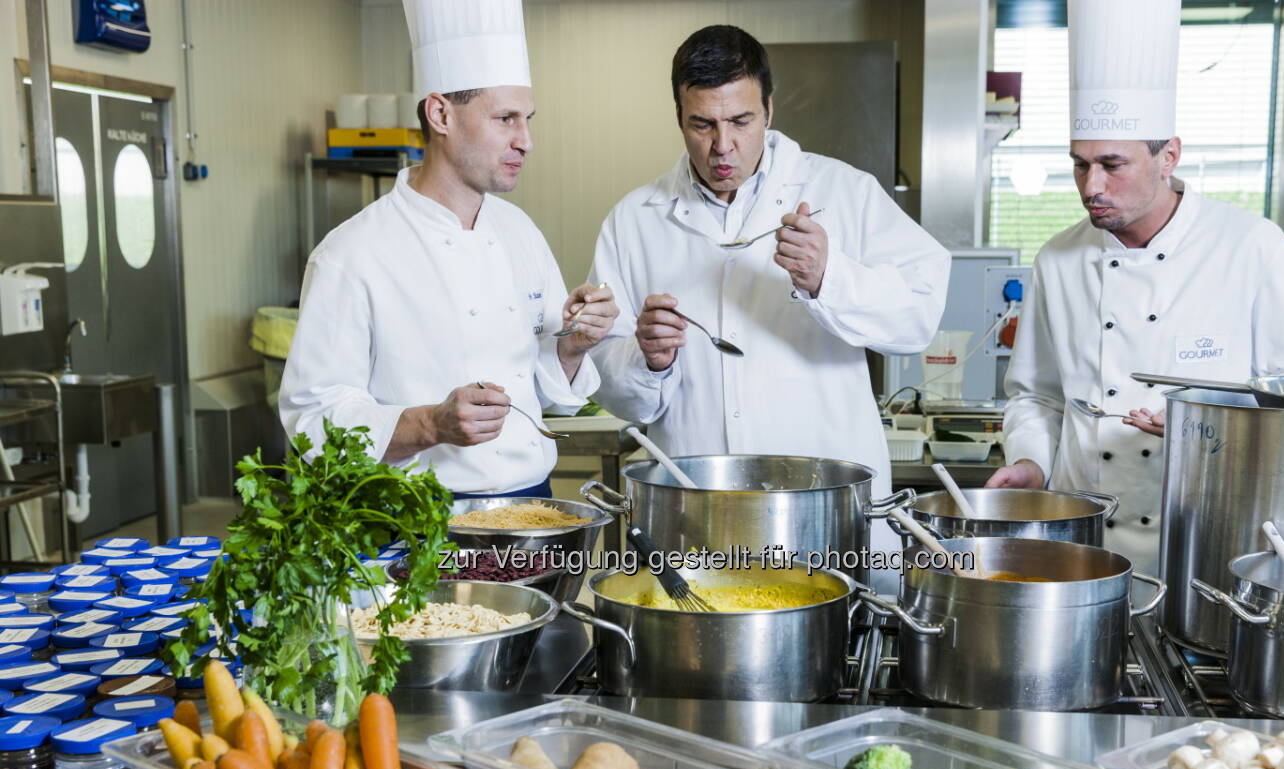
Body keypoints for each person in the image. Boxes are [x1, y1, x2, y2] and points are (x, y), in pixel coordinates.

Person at [987, 0, 1284, 575]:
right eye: (1079, 165)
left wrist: (1207, 418)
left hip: (1208, 536)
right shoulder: (1059, 258)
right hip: (1083, 538)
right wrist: (1030, 461)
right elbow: (1036, 395)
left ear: (1169, 155)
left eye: (1112, 164)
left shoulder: (1253, 249)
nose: (1090, 186)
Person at [586, 25, 950, 574]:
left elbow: (918, 317)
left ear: (769, 110)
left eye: (740, 121)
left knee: (843, 651)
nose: (722, 146)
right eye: (701, 124)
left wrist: (830, 277)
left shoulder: (843, 193)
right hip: (696, 521)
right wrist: (646, 359)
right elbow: (613, 388)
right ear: (679, 118)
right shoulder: (635, 220)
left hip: (825, 517)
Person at [279, 0, 616, 498]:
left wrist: (572, 346)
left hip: (532, 505)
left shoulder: (520, 232)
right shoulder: (351, 253)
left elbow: (541, 390)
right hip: (418, 522)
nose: (527, 141)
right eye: (506, 118)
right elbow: (313, 418)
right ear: (441, 114)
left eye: (528, 119)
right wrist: (429, 425)